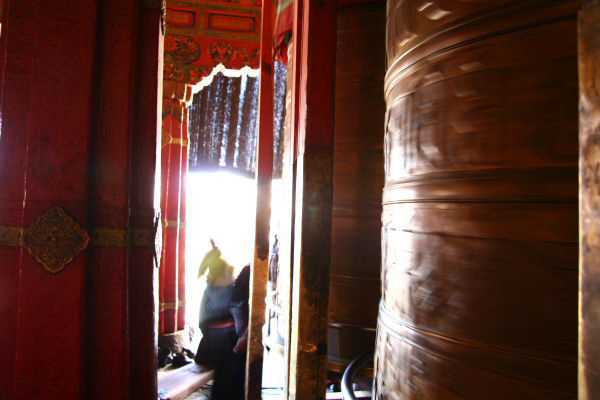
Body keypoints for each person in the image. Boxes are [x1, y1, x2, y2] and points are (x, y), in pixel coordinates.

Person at [194, 241, 250, 400]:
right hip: (225, 345)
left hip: (213, 345)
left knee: (224, 381)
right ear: (220, 276)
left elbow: (202, 323)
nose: (232, 279)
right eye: (229, 275)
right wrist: (242, 335)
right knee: (231, 378)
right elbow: (238, 317)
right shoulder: (229, 292)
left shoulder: (211, 290)